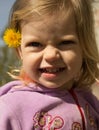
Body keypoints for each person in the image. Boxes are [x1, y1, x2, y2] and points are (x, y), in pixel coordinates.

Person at [0, 0, 99, 129]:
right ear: (20, 52)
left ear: (84, 47)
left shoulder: (90, 101)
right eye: (35, 44)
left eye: (65, 42)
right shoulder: (12, 107)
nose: (51, 55)